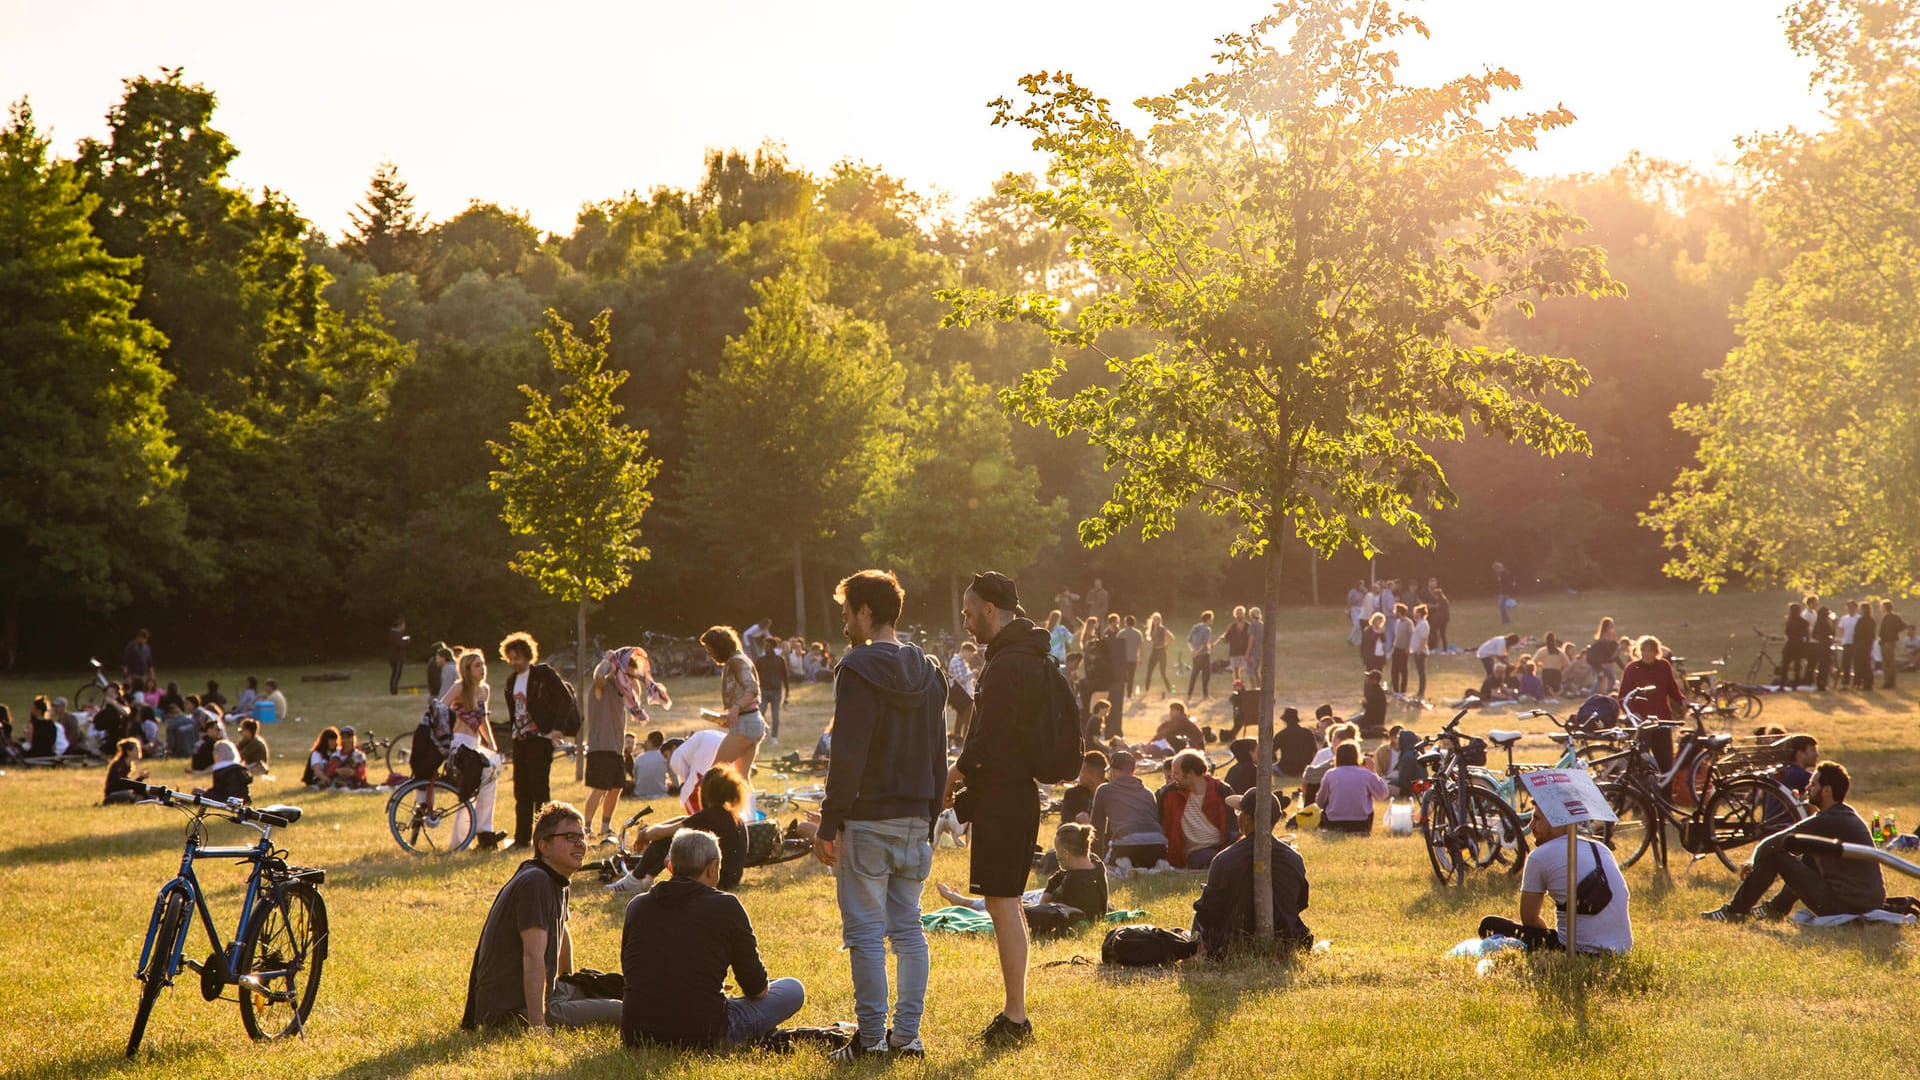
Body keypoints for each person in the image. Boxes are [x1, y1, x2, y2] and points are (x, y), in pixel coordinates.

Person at [811, 569, 948, 1061]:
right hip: (915, 816)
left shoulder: (857, 668)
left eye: (848, 611)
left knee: (867, 933)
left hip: (868, 818)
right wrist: (930, 817)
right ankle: (907, 1037)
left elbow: (848, 753)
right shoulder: (930, 670)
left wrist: (829, 822)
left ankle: (870, 1040)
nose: (844, 620)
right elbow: (939, 753)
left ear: (867, 612)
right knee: (908, 929)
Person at [949, 571, 1051, 1048]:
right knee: (1002, 902)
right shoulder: (1024, 655)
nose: (966, 623)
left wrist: (955, 775)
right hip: (1012, 795)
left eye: (970, 613)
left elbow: (989, 736)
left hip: (1006, 798)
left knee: (1004, 904)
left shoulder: (1009, 663)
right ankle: (1015, 1012)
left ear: (990, 610)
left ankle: (1016, 1017)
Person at [620, 829, 804, 1049]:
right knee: (792, 989)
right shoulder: (726, 906)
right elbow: (756, 987)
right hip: (703, 1033)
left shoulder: (638, 906)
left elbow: (633, 970)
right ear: (712, 868)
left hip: (636, 1033)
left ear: (670, 866)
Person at [462, 802, 620, 1030]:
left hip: (548, 991)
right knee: (625, 1010)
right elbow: (533, 956)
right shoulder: (535, 882)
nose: (580, 844)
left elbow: (562, 932)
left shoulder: (556, 877)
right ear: (544, 846)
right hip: (513, 1009)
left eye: (582, 836)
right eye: (569, 837)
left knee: (621, 989)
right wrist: (537, 1024)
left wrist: (568, 979)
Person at [1703, 762, 1885, 922]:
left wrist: (1752, 861)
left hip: (1845, 905)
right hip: (1865, 902)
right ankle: (1776, 909)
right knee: (1810, 854)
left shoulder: (1828, 819)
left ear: (1827, 791)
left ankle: (1736, 912)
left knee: (1775, 856)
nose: (1808, 789)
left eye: (1813, 785)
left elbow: (1776, 842)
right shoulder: (1845, 814)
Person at [1478, 810, 1632, 953]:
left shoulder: (1538, 857)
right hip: (1622, 949)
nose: (1531, 825)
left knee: (1489, 925)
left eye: (1537, 819)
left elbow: (1530, 919)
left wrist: (1546, 937)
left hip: (1577, 950)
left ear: (1557, 822)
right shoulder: (1599, 847)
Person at [1191, 790, 1312, 958]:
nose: (1237, 816)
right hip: (1286, 938)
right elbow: (1301, 902)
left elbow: (1207, 911)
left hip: (1231, 943)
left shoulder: (1225, 859)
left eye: (1239, 812)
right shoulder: (1294, 859)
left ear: (1248, 819)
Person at [611, 764, 750, 895]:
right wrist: (649, 831)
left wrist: (644, 834)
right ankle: (646, 878)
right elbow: (684, 820)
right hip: (728, 879)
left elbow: (662, 833)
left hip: (717, 882)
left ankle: (635, 879)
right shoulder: (730, 816)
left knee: (670, 839)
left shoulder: (709, 816)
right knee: (677, 835)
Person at [499, 632, 578, 850]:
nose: (515, 662)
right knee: (521, 791)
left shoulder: (542, 674)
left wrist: (556, 728)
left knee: (539, 791)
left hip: (539, 739)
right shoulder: (511, 681)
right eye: (511, 658)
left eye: (518, 657)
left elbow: (566, 698)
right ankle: (521, 838)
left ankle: (543, 838)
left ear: (527, 656)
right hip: (520, 740)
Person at [937, 822, 1109, 920]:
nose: (1056, 856)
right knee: (1009, 897)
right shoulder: (1095, 862)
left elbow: (1044, 907)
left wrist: (1048, 890)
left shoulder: (1074, 883)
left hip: (1042, 905)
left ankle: (964, 902)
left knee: (1005, 904)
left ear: (1064, 853)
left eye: (1057, 851)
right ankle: (966, 901)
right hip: (1047, 898)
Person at [584, 646, 670, 842]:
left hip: (615, 746)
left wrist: (634, 676)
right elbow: (598, 677)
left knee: (615, 788)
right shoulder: (603, 686)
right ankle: (586, 828)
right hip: (601, 745)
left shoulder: (623, 692)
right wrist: (608, 661)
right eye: (628, 675)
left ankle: (605, 827)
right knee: (599, 787)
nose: (632, 679)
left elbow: (637, 691)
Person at [442, 650, 505, 848]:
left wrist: (492, 744)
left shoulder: (484, 689)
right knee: (469, 790)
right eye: (477, 665)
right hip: (460, 742)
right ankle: (461, 839)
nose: (482, 668)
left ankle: (485, 830)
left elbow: (483, 719)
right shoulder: (460, 687)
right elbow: (441, 706)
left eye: (483, 664)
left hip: (475, 743)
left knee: (490, 778)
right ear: (468, 670)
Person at [702, 626, 765, 801]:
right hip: (752, 722)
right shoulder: (739, 660)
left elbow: (752, 689)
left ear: (720, 646)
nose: (710, 654)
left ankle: (710, 818)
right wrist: (730, 715)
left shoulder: (736, 661)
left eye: (710, 649)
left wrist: (736, 707)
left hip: (746, 724)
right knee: (741, 778)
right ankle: (749, 819)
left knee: (712, 775)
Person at [1090, 750, 1169, 869]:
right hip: (1158, 845)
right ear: (1133, 771)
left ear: (1113, 772)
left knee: (1107, 868)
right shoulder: (1148, 793)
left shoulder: (1104, 790)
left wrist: (1095, 860)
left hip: (1127, 846)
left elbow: (1097, 828)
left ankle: (1123, 864)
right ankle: (1149, 865)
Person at [1158, 748, 1234, 868]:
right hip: (1196, 852)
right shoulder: (1170, 794)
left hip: (1223, 848)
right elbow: (1164, 826)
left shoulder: (1221, 790)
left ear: (1190, 773)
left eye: (1176, 773)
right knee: (1208, 858)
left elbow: (1232, 827)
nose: (1172, 777)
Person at [1315, 742, 1387, 833]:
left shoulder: (1330, 774)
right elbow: (1382, 794)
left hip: (1333, 823)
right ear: (1357, 756)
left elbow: (1320, 801)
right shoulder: (1366, 774)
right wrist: (1373, 771)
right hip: (1362, 823)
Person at [1618, 635, 1685, 721]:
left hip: (1662, 716)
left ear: (1656, 652)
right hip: (1641, 718)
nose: (1647, 654)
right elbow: (1624, 696)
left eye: (1650, 650)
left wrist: (1682, 701)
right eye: (1644, 650)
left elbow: (1672, 689)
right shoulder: (1632, 669)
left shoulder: (1664, 666)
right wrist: (1632, 714)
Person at [670, 728, 727, 814]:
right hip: (726, 740)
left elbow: (686, 778)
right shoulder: (692, 744)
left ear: (673, 748)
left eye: (666, 755)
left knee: (689, 794)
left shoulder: (675, 755)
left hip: (707, 750)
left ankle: (699, 821)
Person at [754, 635, 790, 745]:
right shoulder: (760, 660)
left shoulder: (780, 660)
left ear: (773, 647)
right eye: (764, 646)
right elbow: (755, 676)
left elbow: (784, 676)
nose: (765, 648)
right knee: (760, 714)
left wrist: (787, 691)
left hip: (776, 692)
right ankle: (762, 733)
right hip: (763, 691)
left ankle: (774, 737)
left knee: (775, 716)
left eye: (768, 646)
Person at [1061, 750, 1106, 824]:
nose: (1080, 775)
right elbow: (1065, 821)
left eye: (1082, 771)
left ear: (1095, 773)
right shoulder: (1073, 794)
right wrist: (1076, 819)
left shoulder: (1110, 791)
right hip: (1081, 832)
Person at [947, 640, 978, 746]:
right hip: (960, 696)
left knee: (961, 719)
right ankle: (964, 742)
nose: (971, 657)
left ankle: (959, 742)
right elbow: (960, 679)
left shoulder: (963, 662)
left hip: (964, 695)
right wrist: (973, 674)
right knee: (968, 720)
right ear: (965, 651)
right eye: (971, 654)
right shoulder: (956, 661)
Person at [1275, 707, 1319, 778]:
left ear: (1285, 721)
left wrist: (1275, 761)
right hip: (1305, 768)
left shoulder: (1281, 734)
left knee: (1272, 767)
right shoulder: (1307, 733)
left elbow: (1271, 751)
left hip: (1286, 769)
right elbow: (1314, 751)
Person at [104, 737, 149, 805]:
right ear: (128, 751)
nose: (138, 752)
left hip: (122, 792)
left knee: (147, 791)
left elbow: (128, 784)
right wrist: (140, 778)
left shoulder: (127, 765)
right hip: (112, 795)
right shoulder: (119, 765)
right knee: (129, 794)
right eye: (136, 749)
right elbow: (124, 784)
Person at [630, 731, 671, 799]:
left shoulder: (639, 758)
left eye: (647, 741)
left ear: (650, 742)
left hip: (640, 794)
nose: (645, 742)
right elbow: (674, 779)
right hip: (661, 793)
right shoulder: (664, 758)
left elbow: (635, 778)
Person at [1586, 618, 1621, 695]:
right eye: (1611, 625)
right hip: (1600, 664)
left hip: (1602, 664)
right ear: (1607, 626)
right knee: (1608, 678)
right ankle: (1606, 694)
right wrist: (1602, 663)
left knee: (1602, 678)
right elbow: (1601, 653)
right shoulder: (1603, 638)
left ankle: (1594, 695)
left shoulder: (1608, 635)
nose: (1612, 626)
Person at [1879, 600, 1908, 689]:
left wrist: (1894, 632)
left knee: (1889, 663)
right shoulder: (1887, 617)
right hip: (1885, 642)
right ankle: (1889, 682)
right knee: (1887, 662)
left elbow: (1903, 625)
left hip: (1889, 642)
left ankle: (1889, 682)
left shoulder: (1892, 617)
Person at [1142, 612, 1173, 696]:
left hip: (1162, 652)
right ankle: (1146, 690)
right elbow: (1150, 640)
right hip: (1154, 652)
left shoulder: (1162, 628)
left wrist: (1166, 645)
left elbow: (1171, 637)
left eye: (1158, 619)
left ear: (1160, 620)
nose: (1157, 620)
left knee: (1163, 673)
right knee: (1149, 672)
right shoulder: (1151, 629)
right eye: (1155, 619)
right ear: (1153, 620)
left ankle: (1170, 690)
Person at [1186, 610, 1214, 699]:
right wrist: (1198, 652)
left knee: (1194, 675)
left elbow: (1188, 640)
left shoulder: (1195, 627)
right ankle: (1205, 695)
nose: (1212, 620)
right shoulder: (1207, 629)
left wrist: (1193, 651)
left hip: (1195, 656)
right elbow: (1204, 644)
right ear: (1208, 619)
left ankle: (1189, 694)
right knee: (1206, 675)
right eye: (1211, 619)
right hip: (1204, 655)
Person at [1783, 602, 1810, 686]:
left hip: (1790, 644)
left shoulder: (1789, 621)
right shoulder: (1804, 622)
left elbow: (1787, 632)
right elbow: (1807, 635)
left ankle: (1782, 684)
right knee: (1797, 665)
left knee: (1785, 664)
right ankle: (1796, 683)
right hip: (1799, 644)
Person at [1388, 604, 1413, 694]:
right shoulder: (1397, 622)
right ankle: (1395, 689)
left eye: (1396, 611)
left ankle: (1403, 690)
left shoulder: (1408, 623)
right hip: (1396, 649)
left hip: (1403, 650)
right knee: (1394, 670)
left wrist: (1408, 648)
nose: (1394, 613)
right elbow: (1396, 636)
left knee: (1403, 670)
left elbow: (1411, 636)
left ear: (1400, 612)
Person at [1853, 601, 1877, 690]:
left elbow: (1857, 633)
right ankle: (1868, 683)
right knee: (1866, 664)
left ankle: (1859, 682)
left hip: (1860, 645)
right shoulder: (1871, 621)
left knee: (1859, 664)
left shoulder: (1861, 620)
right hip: (1867, 646)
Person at [1533, 633, 1566, 698]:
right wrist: (1561, 667)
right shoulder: (1559, 652)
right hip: (1557, 672)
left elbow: (1533, 661)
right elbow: (1567, 663)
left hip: (1546, 672)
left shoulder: (1543, 651)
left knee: (1546, 688)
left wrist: (1540, 665)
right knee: (1556, 688)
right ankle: (1555, 695)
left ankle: (1549, 695)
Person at [1356, 669, 1387, 737]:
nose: (1367, 679)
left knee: (1350, 722)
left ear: (1374, 681)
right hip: (1373, 719)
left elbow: (1371, 709)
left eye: (1369, 678)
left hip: (1373, 721)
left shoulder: (1376, 692)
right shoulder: (1376, 690)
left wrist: (1364, 704)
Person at [388, 616, 410, 695]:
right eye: (403, 625)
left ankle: (393, 689)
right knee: (396, 673)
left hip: (394, 657)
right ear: (399, 626)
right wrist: (407, 641)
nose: (404, 627)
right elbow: (400, 644)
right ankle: (393, 690)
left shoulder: (394, 633)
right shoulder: (396, 634)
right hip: (397, 658)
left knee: (395, 673)